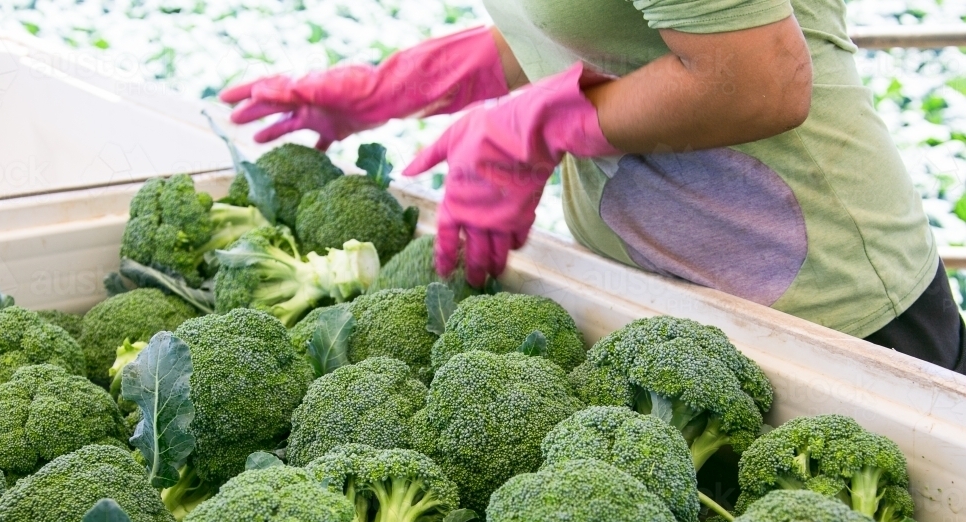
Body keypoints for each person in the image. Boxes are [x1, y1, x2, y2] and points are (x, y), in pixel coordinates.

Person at [220, 0, 966, 374]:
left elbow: (763, 79)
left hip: (833, 312)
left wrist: (531, 131)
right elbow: (576, 25)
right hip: (657, 306)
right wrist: (387, 88)